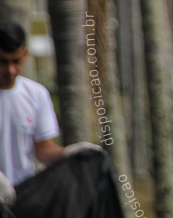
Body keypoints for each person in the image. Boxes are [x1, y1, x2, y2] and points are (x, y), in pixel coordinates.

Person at [0, 22, 103, 201]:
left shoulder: (36, 95)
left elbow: (43, 151)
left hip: (22, 196)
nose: (10, 70)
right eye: (3, 62)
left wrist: (70, 153)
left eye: (16, 62)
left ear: (25, 55)